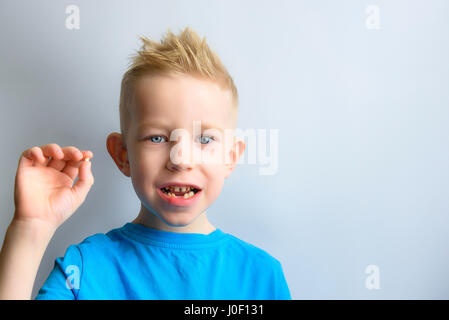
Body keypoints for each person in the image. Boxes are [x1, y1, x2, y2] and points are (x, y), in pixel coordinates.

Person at [0, 26, 291, 300]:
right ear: (123, 155)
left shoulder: (262, 277)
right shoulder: (86, 269)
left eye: (204, 140)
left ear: (230, 158)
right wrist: (32, 226)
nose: (181, 159)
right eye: (157, 138)